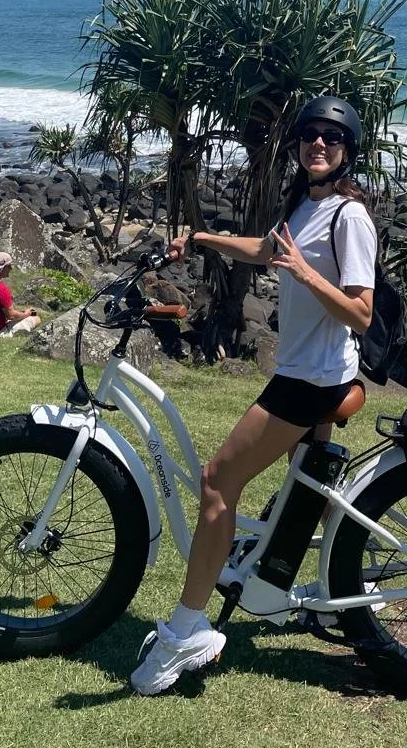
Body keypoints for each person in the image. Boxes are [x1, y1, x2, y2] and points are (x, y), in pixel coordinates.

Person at [130, 94, 377, 698]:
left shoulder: (350, 217)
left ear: (349, 151)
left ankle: (187, 630)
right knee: (307, 488)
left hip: (311, 378)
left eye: (333, 137)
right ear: (297, 144)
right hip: (307, 370)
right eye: (310, 135)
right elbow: (264, 250)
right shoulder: (304, 208)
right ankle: (332, 592)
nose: (319, 144)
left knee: (217, 482)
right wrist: (205, 236)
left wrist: (305, 273)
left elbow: (362, 312)